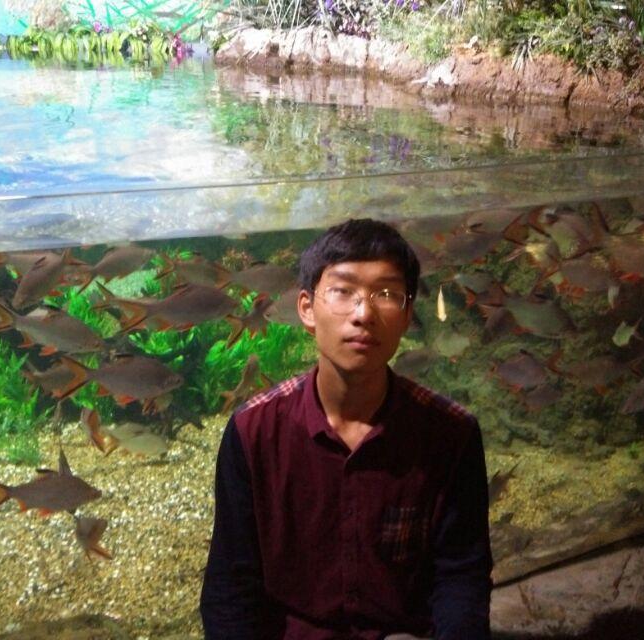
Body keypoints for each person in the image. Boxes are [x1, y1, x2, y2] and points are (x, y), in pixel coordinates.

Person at [200, 218, 493, 639]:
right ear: (306, 308)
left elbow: (461, 576)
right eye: (342, 291)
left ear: (408, 314)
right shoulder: (253, 431)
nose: (364, 314)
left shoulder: (451, 433)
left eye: (387, 294)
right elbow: (231, 587)